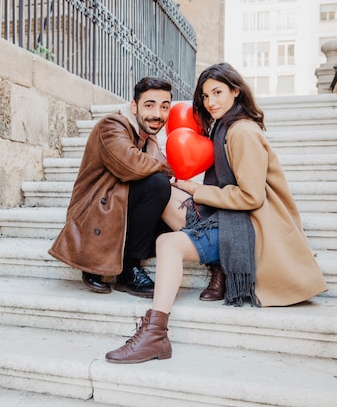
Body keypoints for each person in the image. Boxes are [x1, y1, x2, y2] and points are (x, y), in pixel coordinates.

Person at [105, 62, 328, 364]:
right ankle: (217, 266)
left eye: (218, 93)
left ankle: (155, 333)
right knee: (165, 193)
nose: (211, 102)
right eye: (206, 95)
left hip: (249, 226)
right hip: (231, 216)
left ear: (236, 91)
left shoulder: (242, 132)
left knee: (167, 244)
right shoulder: (223, 128)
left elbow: (250, 196)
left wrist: (197, 191)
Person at [48, 77, 175, 298]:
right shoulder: (112, 125)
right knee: (157, 183)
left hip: (120, 200)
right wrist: (166, 166)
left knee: (174, 216)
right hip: (94, 210)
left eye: (164, 107)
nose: (157, 113)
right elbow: (130, 165)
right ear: (133, 106)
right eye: (149, 105)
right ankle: (125, 268)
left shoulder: (147, 138)